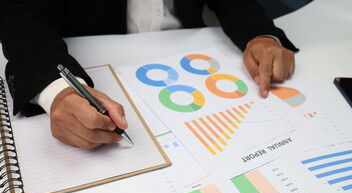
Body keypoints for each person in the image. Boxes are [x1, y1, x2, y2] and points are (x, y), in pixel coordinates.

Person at [0, 0, 298, 149]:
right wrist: (56, 89)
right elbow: (21, 11)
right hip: (95, 56)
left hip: (190, 56)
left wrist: (260, 35)